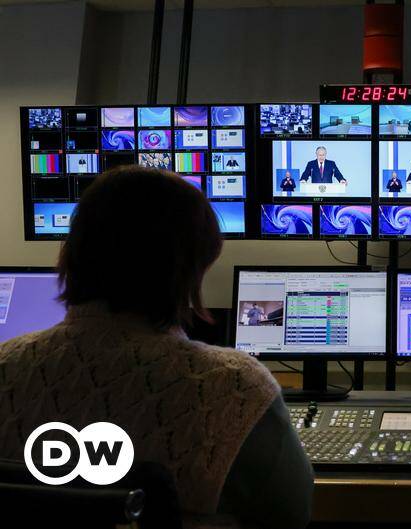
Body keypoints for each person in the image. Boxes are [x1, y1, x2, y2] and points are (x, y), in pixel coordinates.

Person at [0, 166, 313, 529]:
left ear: (71, 254)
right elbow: (292, 513)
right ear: (189, 270)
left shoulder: (6, 367)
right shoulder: (235, 388)